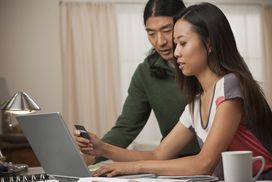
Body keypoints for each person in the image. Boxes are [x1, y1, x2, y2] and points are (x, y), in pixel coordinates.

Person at [76, 2, 272, 180]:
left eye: (183, 43)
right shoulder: (195, 104)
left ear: (209, 43)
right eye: (176, 44)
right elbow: (158, 154)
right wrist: (102, 147)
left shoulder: (230, 85)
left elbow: (204, 163)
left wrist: (133, 167)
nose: (175, 51)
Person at [76, 0, 200, 164]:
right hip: (170, 162)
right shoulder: (145, 73)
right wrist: (90, 156)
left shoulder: (210, 69)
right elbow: (126, 128)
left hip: (217, 160)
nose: (160, 41)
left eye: (167, 30)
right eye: (151, 33)